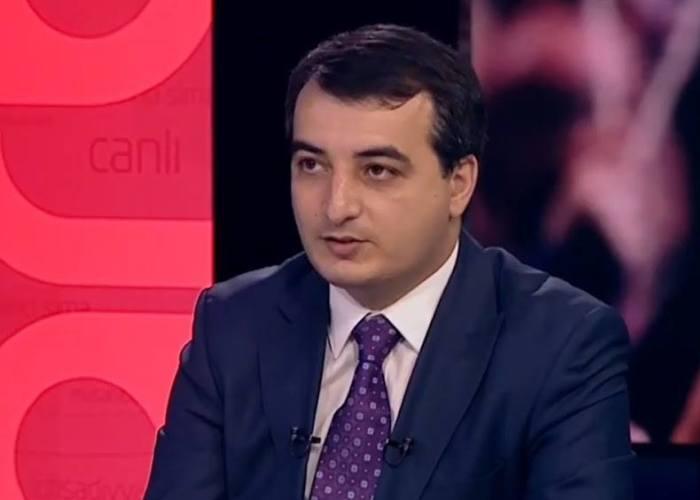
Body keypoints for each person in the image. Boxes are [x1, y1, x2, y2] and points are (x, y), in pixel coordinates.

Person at [144, 24, 633, 499]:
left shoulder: (563, 344)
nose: (336, 206)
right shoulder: (235, 326)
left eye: (377, 170)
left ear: (459, 183)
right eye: (311, 165)